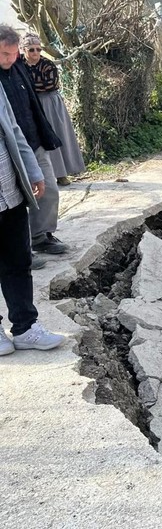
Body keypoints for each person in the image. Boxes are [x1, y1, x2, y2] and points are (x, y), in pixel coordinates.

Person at [0, 81, 66, 355]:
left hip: (9, 190)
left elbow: (13, 129)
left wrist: (33, 171)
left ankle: (25, 327)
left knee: (18, 261)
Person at [0, 25, 68, 260]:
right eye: (4, 54)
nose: (9, 58)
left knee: (48, 189)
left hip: (33, 141)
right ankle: (21, 251)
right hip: (7, 151)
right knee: (14, 201)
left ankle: (41, 237)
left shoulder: (18, 68)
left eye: (12, 53)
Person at [21, 33, 86, 185]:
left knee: (55, 134)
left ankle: (61, 174)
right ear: (24, 50)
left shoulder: (48, 65)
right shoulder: (20, 65)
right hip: (30, 104)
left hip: (49, 102)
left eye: (38, 49)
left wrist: (27, 88)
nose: (35, 53)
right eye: (31, 50)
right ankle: (40, 177)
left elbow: (49, 85)